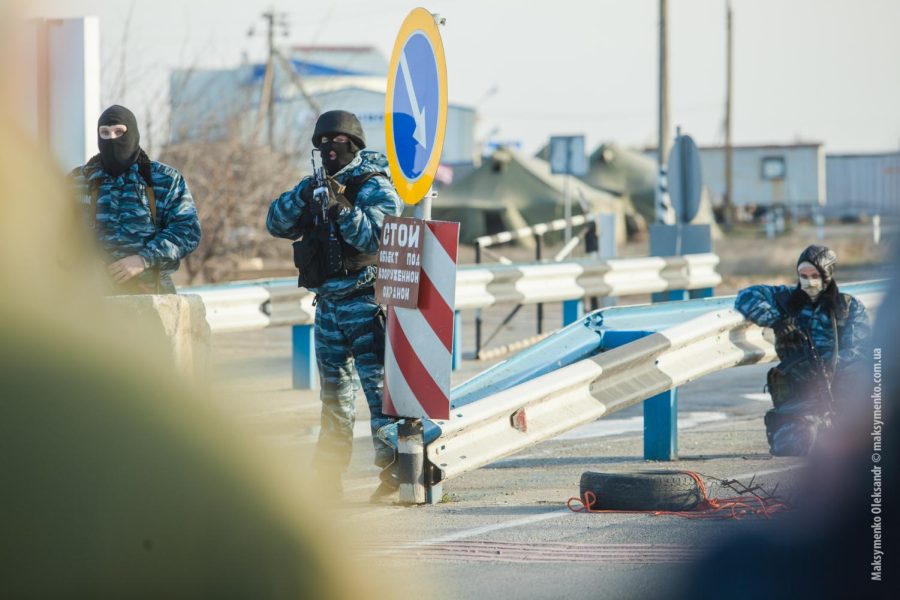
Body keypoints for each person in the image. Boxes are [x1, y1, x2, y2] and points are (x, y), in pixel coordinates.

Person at [266, 110, 403, 501]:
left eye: (338, 142)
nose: (329, 149)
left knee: (379, 396)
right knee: (334, 399)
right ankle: (328, 477)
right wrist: (306, 197)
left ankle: (393, 471)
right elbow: (275, 223)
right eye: (323, 143)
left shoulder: (374, 186)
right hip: (327, 307)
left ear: (354, 144)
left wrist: (343, 209)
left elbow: (377, 240)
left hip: (365, 303)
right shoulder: (314, 185)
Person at [735, 244, 870, 456]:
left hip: (839, 393)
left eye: (815, 275)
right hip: (800, 395)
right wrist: (777, 322)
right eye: (803, 275)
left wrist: (826, 368)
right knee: (792, 446)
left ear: (828, 274)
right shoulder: (787, 299)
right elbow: (747, 296)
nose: (809, 282)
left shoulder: (848, 306)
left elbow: (859, 349)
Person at [70, 105, 201, 294]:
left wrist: (144, 259)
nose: (112, 138)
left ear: (132, 133)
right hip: (91, 301)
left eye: (119, 132)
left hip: (150, 296)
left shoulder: (164, 179)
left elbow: (187, 231)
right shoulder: (78, 181)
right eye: (105, 133)